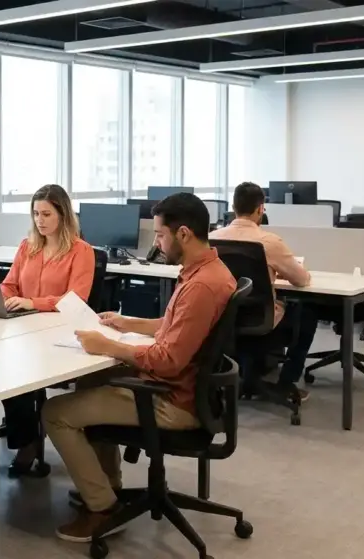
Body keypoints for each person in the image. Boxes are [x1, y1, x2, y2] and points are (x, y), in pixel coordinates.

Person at [41, 193, 236, 543]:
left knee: (55, 412)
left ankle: (102, 508)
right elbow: (174, 324)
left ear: (184, 234)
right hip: (184, 387)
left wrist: (108, 346)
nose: (157, 243)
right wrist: (128, 323)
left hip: (173, 401)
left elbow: (168, 359)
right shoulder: (207, 271)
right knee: (92, 377)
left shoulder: (202, 286)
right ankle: (106, 486)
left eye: (161, 235)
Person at [0, 183, 95, 478]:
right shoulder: (27, 247)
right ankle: (25, 436)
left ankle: (28, 444)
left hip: (59, 334)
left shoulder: (81, 251)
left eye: (46, 214)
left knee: (22, 371)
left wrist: (33, 302)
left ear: (63, 215)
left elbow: (76, 299)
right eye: (35, 213)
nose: (40, 220)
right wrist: (4, 298)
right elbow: (9, 283)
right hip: (24, 330)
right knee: (5, 370)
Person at [210, 181, 314, 399]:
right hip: (260, 318)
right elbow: (301, 280)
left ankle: (238, 374)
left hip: (223, 316)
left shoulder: (213, 238)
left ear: (234, 206)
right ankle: (287, 382)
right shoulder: (269, 241)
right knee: (308, 311)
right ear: (260, 209)